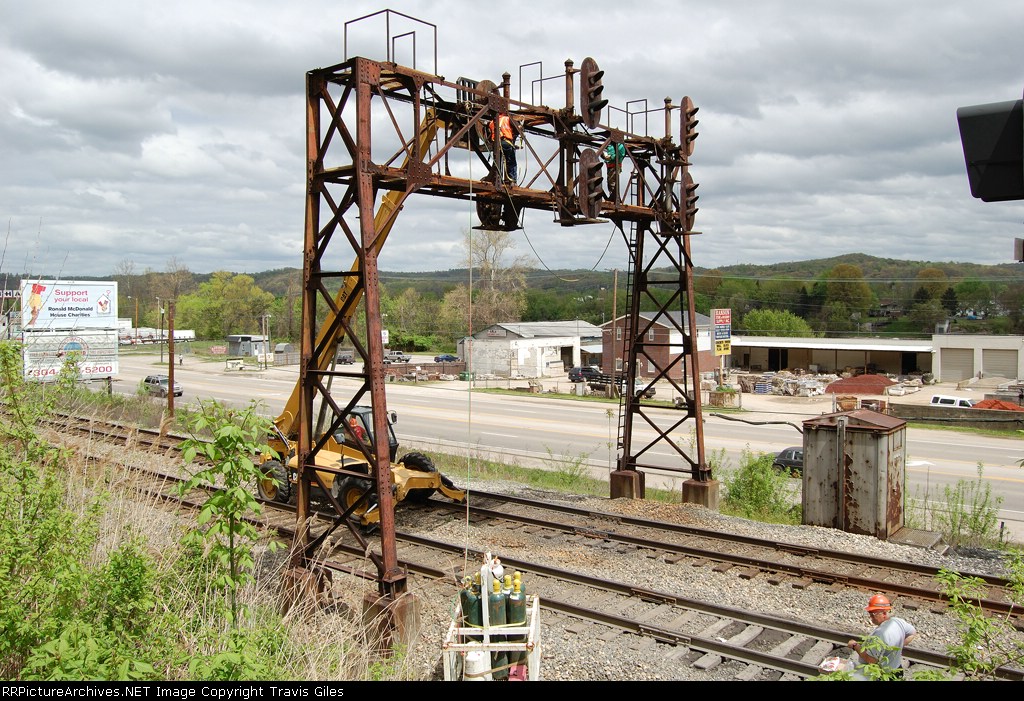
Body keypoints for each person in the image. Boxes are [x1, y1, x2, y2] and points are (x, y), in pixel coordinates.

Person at [848, 594, 917, 679]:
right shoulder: (898, 621)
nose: (871, 617)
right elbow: (912, 633)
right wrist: (898, 647)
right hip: (897, 669)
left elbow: (871, 660)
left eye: (873, 614)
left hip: (882, 674)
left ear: (884, 613)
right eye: (870, 614)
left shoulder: (880, 634)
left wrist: (855, 646)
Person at [490, 112, 518, 184]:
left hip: (496, 144)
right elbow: (518, 128)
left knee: (498, 162)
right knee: (511, 162)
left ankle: (497, 179)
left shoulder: (492, 122)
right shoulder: (507, 119)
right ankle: (512, 180)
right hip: (506, 143)